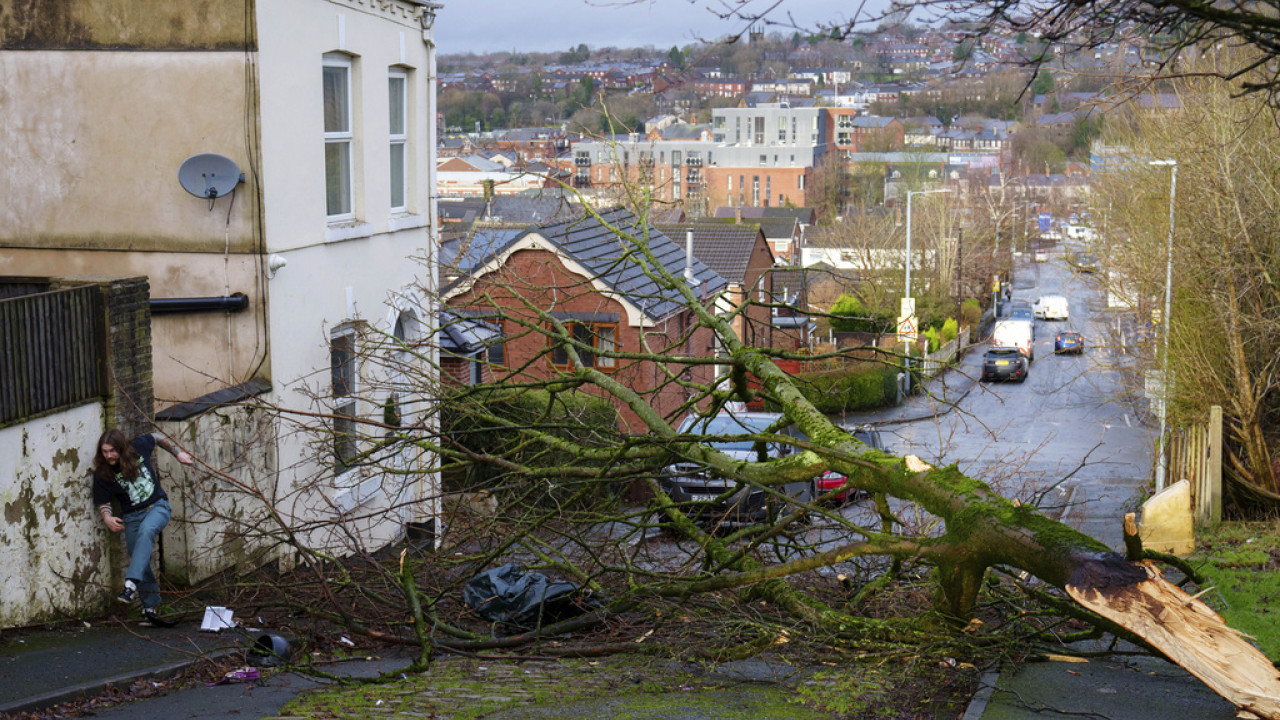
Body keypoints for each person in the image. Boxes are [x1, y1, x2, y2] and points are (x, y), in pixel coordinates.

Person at [92, 428, 194, 624]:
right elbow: (102, 501)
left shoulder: (138, 446)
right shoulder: (103, 473)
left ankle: (129, 585)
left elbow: (156, 437)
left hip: (157, 507)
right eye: (104, 452)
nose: (109, 456)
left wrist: (178, 453)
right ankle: (150, 608)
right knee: (140, 557)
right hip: (131, 517)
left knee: (147, 531)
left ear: (121, 448)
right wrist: (107, 517)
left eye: (112, 451)